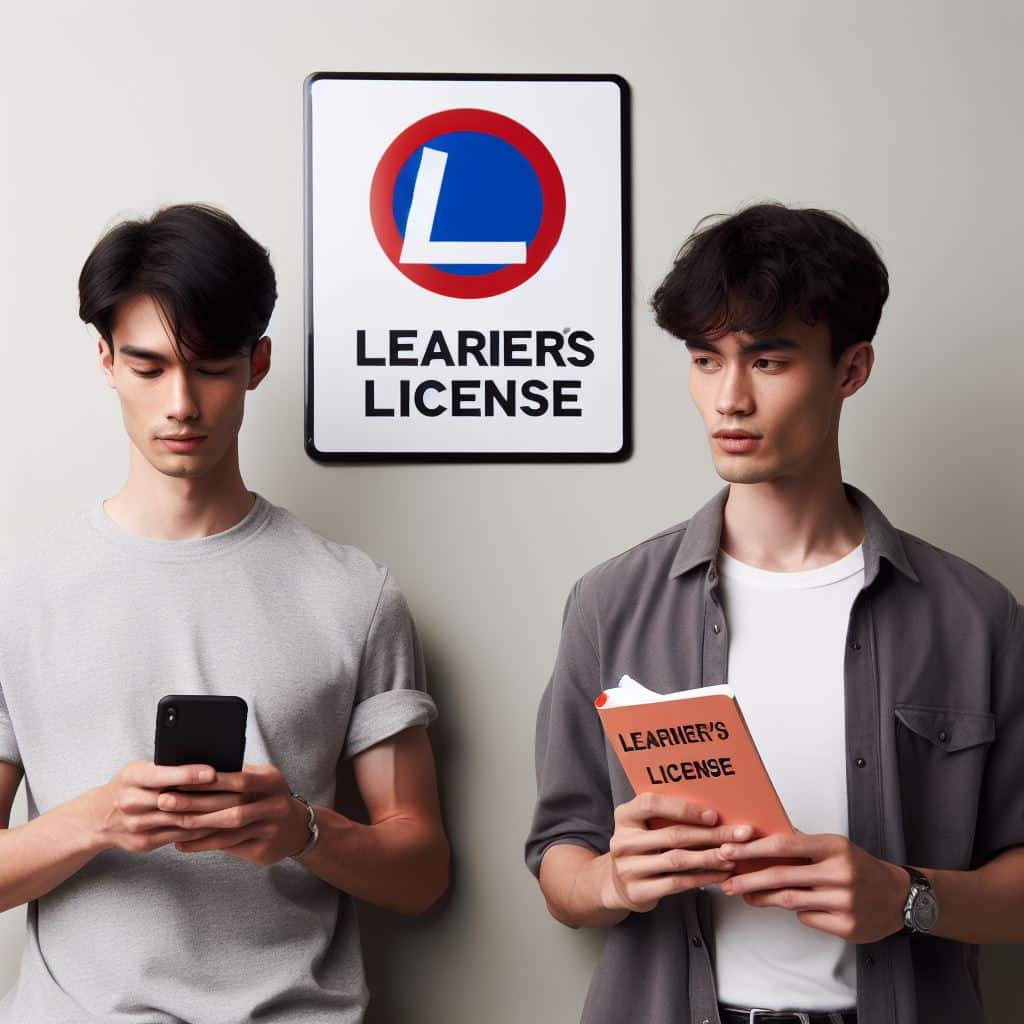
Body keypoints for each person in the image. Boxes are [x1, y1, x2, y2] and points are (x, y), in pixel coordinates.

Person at [525, 202, 1023, 1024]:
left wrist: (907, 898)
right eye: (704, 359)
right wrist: (614, 879)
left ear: (851, 369)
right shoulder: (611, 604)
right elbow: (559, 862)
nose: (729, 399)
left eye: (768, 360)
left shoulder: (975, 617)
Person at [0, 203, 449, 1023]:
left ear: (258, 363)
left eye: (210, 366)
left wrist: (303, 831)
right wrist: (94, 819)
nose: (181, 403)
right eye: (147, 367)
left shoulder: (355, 593)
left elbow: (421, 874)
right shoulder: (19, 593)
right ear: (103, 360)